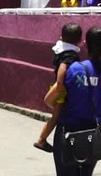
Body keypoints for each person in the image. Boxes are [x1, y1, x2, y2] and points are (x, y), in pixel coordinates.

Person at [45, 26, 101, 176]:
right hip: (94, 135)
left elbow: (48, 99)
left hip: (68, 132)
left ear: (85, 44)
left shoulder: (74, 69)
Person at [33, 23, 83, 152]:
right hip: (60, 87)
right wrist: (61, 86)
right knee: (55, 117)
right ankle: (41, 140)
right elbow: (63, 68)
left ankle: (42, 139)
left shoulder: (60, 49)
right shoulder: (71, 54)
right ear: (79, 40)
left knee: (56, 115)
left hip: (56, 85)